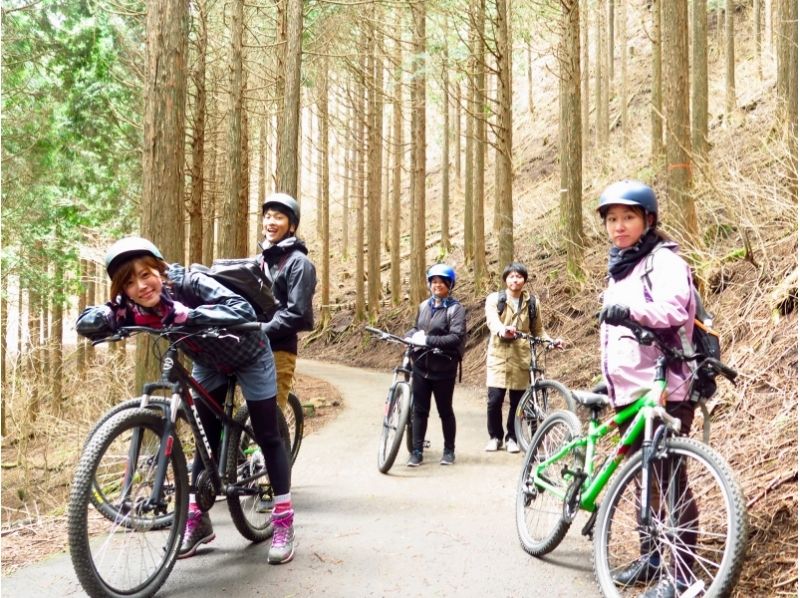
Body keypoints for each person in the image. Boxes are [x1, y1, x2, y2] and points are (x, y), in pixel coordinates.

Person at [75, 237, 296, 564]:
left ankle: (283, 520)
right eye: (129, 282)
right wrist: (98, 319)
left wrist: (189, 315)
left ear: (160, 270)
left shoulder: (191, 282)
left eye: (145, 274)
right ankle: (197, 519)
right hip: (209, 363)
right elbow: (94, 318)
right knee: (203, 438)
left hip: (250, 353)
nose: (141, 286)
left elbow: (241, 309)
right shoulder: (131, 305)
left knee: (267, 434)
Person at [596, 180, 698, 598]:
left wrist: (631, 308)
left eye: (628, 218)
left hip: (665, 385)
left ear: (648, 220)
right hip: (630, 389)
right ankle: (652, 558)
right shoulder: (621, 266)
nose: (619, 227)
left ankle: (683, 576)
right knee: (644, 479)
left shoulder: (663, 261)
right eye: (613, 219)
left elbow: (674, 307)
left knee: (670, 480)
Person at [483, 262, 560, 454]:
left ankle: (513, 437)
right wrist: (502, 330)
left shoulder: (532, 302)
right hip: (498, 355)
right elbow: (492, 321)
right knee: (494, 399)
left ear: (524, 280)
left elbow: (538, 329)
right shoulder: (495, 299)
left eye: (519, 276)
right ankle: (495, 436)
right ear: (505, 279)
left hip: (522, 356)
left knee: (518, 401)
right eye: (511, 276)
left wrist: (549, 341)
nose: (515, 280)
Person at [259, 193, 317, 420]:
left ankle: (272, 455)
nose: (271, 222)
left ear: (292, 226)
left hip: (279, 350)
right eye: (267, 217)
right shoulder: (262, 259)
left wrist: (261, 328)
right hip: (252, 347)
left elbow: (297, 313)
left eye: (279, 217)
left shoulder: (299, 263)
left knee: (269, 421)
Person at [405, 264, 466, 467]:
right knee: (419, 411)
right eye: (433, 282)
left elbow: (456, 337)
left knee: (445, 410)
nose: (437, 285)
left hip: (444, 369)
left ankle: (449, 450)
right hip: (421, 366)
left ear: (449, 285)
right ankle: (416, 451)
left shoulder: (455, 309)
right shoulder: (424, 306)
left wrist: (428, 341)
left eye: (441, 282)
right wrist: (411, 336)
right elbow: (416, 328)